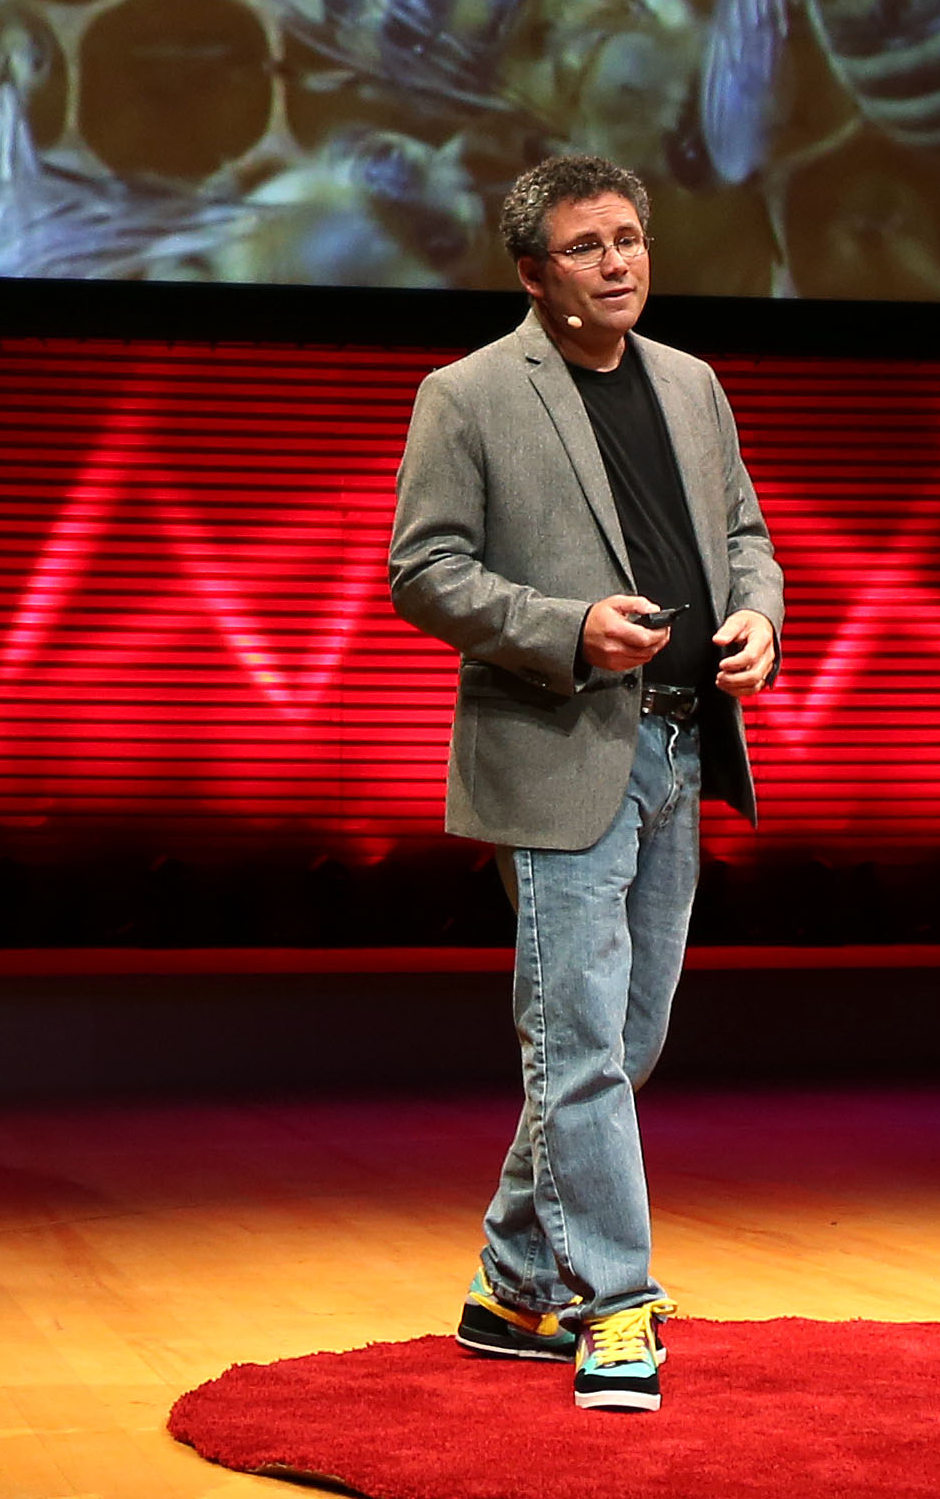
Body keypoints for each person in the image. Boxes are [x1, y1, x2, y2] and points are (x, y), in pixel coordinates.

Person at [384, 151, 785, 1416]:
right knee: (576, 1043)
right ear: (531, 271)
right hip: (557, 750)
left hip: (681, 742)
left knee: (624, 1037)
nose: (617, 262)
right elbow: (422, 569)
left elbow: (744, 537)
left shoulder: (692, 383)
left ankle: (508, 1286)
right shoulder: (466, 393)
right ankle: (614, 1303)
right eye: (586, 246)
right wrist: (566, 627)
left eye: (629, 237)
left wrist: (759, 619)